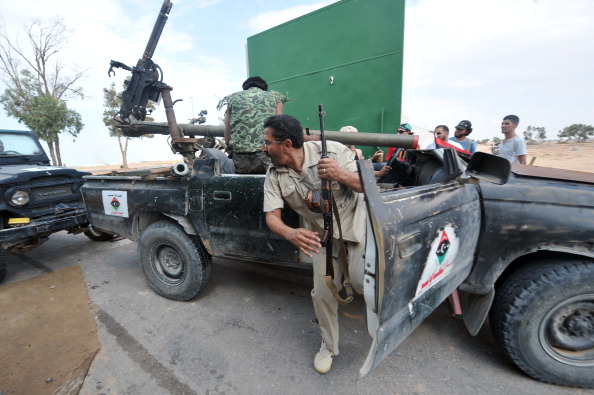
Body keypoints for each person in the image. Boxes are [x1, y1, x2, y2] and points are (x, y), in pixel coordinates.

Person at [262, 114, 366, 374]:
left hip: (357, 226)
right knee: (322, 293)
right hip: (321, 236)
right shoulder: (274, 173)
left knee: (361, 282)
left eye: (266, 142)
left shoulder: (333, 151)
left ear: (286, 144)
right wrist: (291, 233)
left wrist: (339, 173)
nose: (263, 147)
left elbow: (367, 185)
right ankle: (329, 346)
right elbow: (272, 217)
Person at [217, 76, 287, 174]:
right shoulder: (275, 98)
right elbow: (279, 126)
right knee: (270, 185)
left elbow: (227, 131)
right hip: (266, 153)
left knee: (244, 186)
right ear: (264, 88)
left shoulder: (232, 98)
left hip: (240, 156)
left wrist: (230, 146)